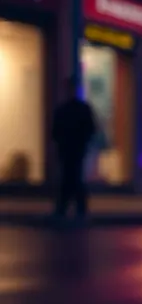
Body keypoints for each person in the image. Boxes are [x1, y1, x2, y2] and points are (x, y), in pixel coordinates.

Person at [51, 75, 97, 221]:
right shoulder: (77, 110)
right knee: (73, 178)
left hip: (72, 149)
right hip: (73, 149)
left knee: (70, 178)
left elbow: (56, 131)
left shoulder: (70, 110)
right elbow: (56, 131)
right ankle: (74, 207)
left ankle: (65, 208)